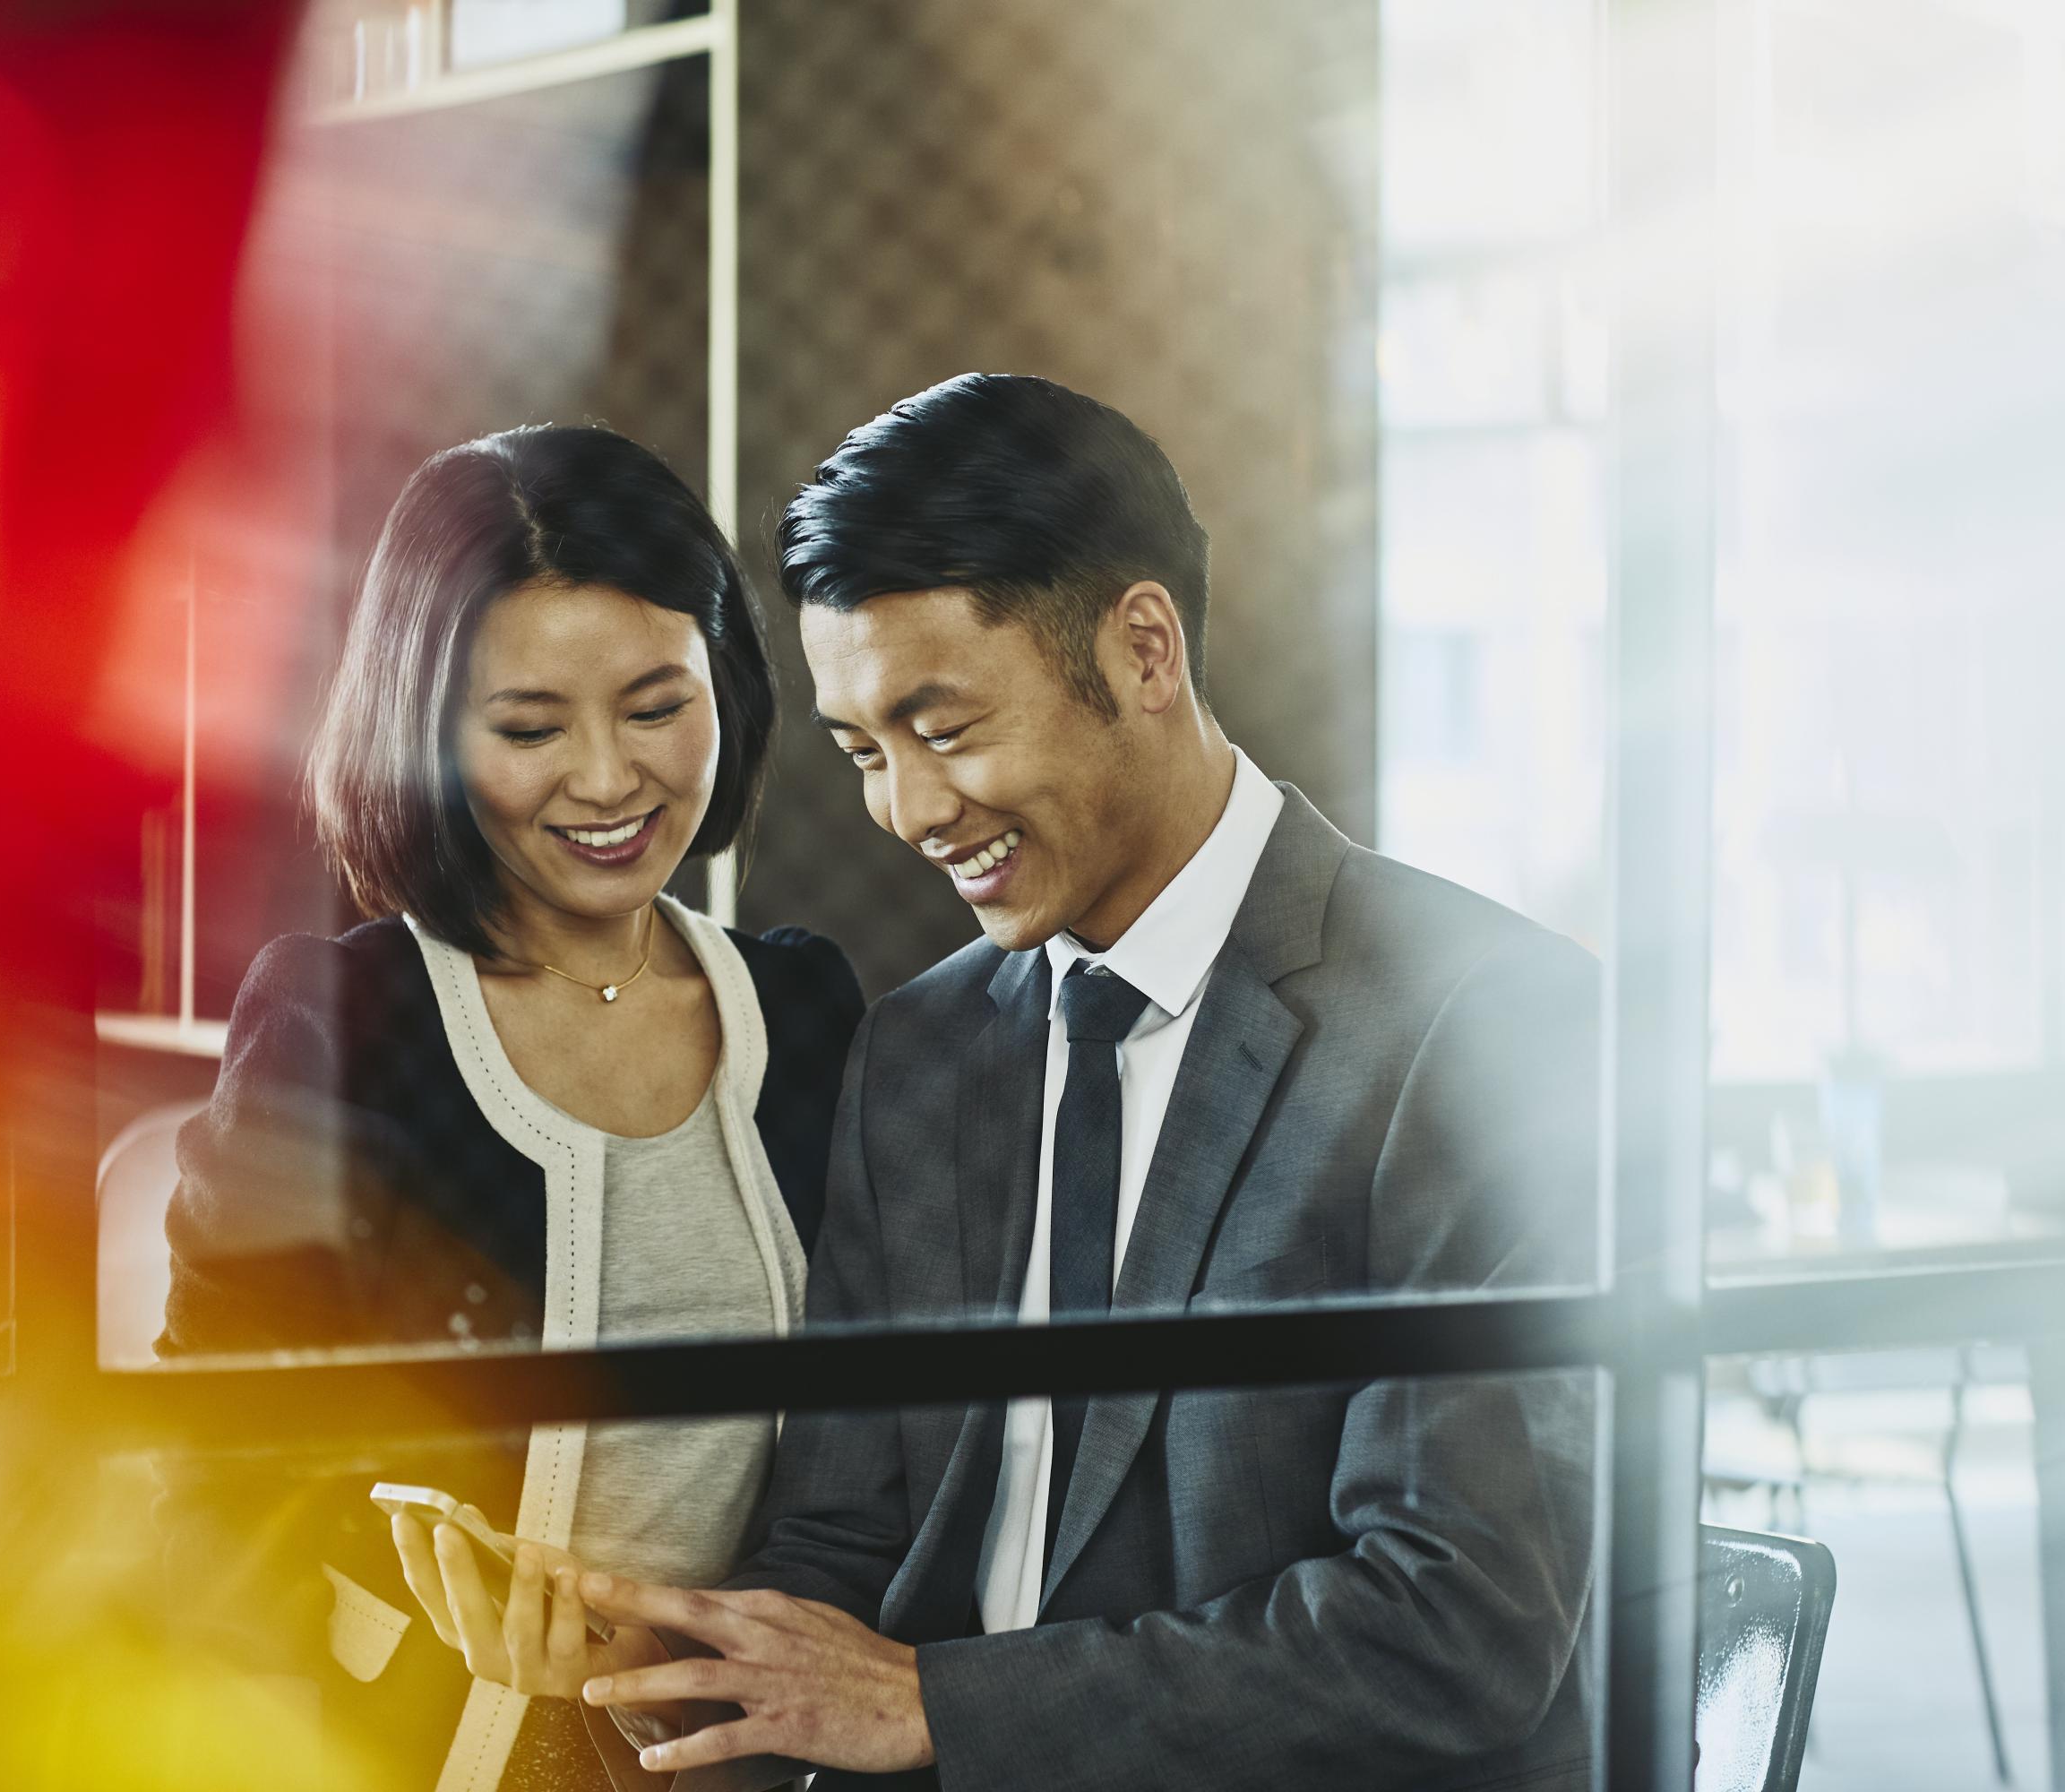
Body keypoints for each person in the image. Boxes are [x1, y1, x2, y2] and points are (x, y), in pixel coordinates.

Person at [549, 375, 1601, 1789]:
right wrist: (670, 1669)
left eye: (948, 727)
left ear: (1145, 649)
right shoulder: (917, 1052)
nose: (910, 812)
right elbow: (849, 1543)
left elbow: (1450, 1625)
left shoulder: (1475, 1023)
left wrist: (943, 1709)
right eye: (866, 752)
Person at [156, 424, 863, 1792]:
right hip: (434, 1754)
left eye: (658, 706)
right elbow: (209, 1458)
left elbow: (878, 1459)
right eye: (530, 728)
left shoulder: (810, 1013)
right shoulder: (343, 1022)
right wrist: (406, 1578)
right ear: (426, 732)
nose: (607, 780)